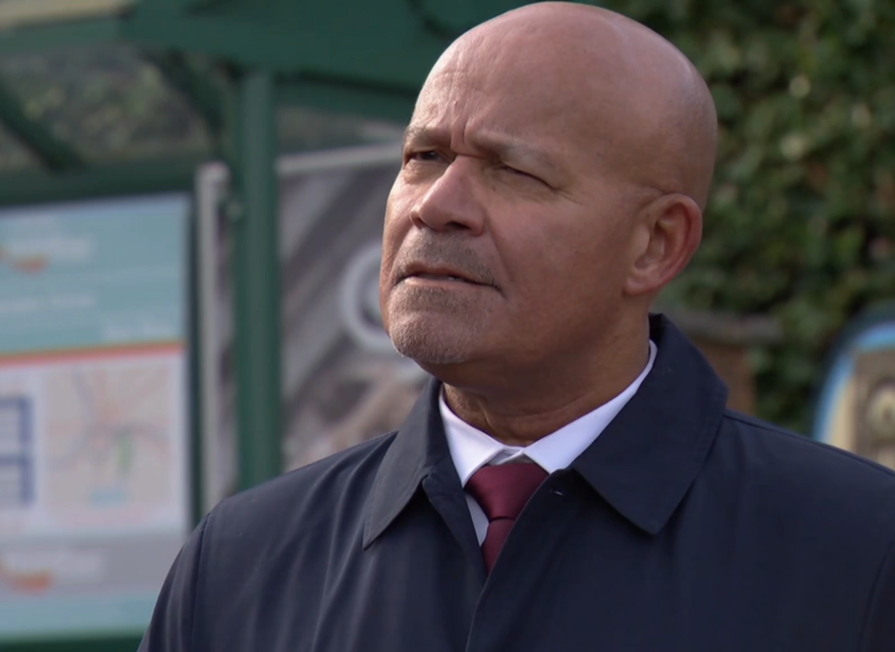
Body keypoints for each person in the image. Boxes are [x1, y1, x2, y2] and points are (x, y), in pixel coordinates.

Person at [139, 3, 895, 651]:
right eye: (424, 156)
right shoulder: (240, 567)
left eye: (513, 171)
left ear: (655, 244)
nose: (436, 205)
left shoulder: (857, 552)